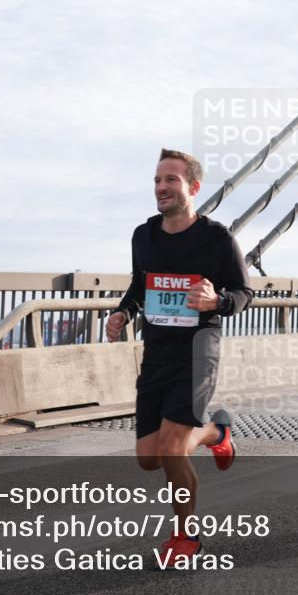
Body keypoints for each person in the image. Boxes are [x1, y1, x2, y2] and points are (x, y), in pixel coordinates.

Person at [106, 148, 254, 565]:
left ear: (192, 187)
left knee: (172, 450)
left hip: (196, 352)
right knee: (149, 459)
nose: (161, 187)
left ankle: (186, 536)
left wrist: (216, 300)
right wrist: (123, 313)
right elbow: (140, 286)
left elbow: (245, 294)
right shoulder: (144, 235)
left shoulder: (217, 238)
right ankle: (215, 433)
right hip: (156, 353)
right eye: (157, 180)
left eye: (170, 179)